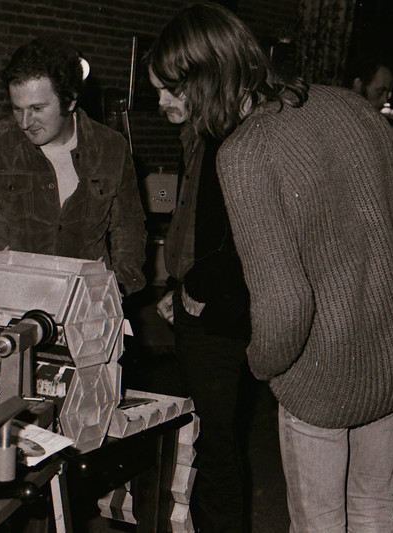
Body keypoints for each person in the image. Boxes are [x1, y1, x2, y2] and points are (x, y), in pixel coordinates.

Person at [151, 3, 393, 532]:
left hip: (319, 372)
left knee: (319, 522)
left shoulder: (244, 152)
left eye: (171, 89)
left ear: (207, 79)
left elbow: (287, 303)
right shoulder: (343, 102)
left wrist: (263, 364)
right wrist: (382, 292)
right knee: (374, 507)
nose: (161, 102)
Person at [148, 34, 252, 533]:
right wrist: (177, 285)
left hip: (216, 312)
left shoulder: (231, 140)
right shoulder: (194, 135)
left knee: (215, 446)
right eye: (157, 90)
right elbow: (191, 225)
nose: (160, 102)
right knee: (202, 437)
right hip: (193, 301)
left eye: (170, 90)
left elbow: (242, 237)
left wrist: (197, 288)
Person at [0, 37, 147, 296]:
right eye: (17, 109)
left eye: (37, 108)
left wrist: (118, 285)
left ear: (70, 100)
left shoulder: (112, 148)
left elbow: (129, 226)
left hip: (86, 302)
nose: (24, 122)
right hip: (9, 299)